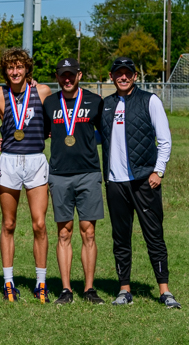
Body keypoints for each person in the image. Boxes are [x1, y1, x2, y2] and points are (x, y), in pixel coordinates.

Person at [100, 57, 179, 308]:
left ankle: (165, 291)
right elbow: (93, 136)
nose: (123, 77)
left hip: (144, 181)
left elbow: (164, 139)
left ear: (135, 76)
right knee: (120, 238)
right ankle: (124, 290)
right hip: (115, 183)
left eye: (127, 74)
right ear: (112, 77)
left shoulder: (150, 100)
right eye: (118, 73)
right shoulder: (106, 104)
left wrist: (159, 171)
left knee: (154, 236)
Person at [0, 48, 53, 302]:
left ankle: (41, 282)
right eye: (10, 67)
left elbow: (54, 115)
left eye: (20, 67)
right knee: (8, 224)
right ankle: (8, 282)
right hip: (10, 161)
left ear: (27, 69)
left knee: (39, 224)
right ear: (5, 71)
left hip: (36, 160)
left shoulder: (43, 91)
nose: (15, 72)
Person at [41, 58, 106, 305]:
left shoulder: (94, 102)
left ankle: (89, 289)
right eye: (62, 75)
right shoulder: (49, 103)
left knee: (88, 232)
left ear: (79, 75)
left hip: (88, 172)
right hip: (59, 174)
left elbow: (106, 133)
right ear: (57, 76)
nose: (67, 79)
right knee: (64, 232)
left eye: (71, 74)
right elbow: (42, 132)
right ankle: (66, 290)